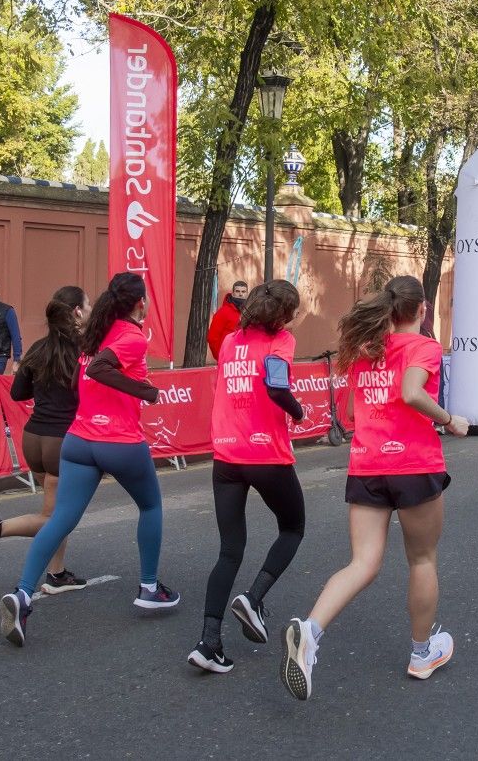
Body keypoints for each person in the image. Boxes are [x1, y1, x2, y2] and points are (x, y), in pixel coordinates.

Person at [280, 276, 469, 701]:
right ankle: (421, 653)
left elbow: (353, 408)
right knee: (422, 559)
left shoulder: (364, 350)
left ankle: (310, 632)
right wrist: (449, 420)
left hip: (367, 464)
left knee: (363, 563)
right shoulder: (423, 347)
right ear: (421, 309)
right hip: (414, 464)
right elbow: (411, 392)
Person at [0, 272, 179, 647]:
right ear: (140, 303)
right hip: (119, 441)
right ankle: (149, 588)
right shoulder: (132, 337)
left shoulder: (95, 333)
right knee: (150, 506)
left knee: (61, 518)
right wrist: (145, 391)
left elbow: (92, 370)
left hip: (79, 440)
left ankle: (22, 594)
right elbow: (99, 369)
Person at [190, 280, 309, 675]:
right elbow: (276, 386)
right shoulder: (281, 341)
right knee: (292, 528)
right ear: (283, 315)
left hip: (226, 455)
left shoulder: (230, 342)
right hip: (265, 454)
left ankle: (208, 642)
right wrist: (298, 412)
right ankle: (253, 599)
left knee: (229, 550)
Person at [0, 286, 91, 595]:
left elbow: (17, 392)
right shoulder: (84, 351)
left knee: (58, 510)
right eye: (88, 304)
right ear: (77, 312)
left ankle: (57, 574)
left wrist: (46, 388)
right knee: (57, 518)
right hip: (62, 441)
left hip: (33, 438)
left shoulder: (38, 348)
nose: (91, 309)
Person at [208, 279, 250, 361]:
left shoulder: (250, 312)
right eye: (237, 291)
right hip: (227, 359)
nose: (240, 294)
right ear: (233, 293)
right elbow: (212, 338)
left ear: (247, 294)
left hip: (246, 359)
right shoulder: (223, 312)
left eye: (243, 292)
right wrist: (220, 356)